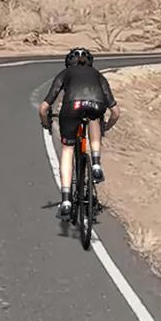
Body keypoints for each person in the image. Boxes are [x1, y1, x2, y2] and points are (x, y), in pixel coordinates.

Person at [39, 47, 119, 217]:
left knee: (68, 149)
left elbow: (44, 107)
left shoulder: (65, 74)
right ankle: (96, 163)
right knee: (94, 119)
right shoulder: (98, 75)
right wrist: (107, 127)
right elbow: (116, 112)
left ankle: (66, 200)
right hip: (96, 105)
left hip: (72, 107)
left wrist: (46, 123)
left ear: (68, 63)